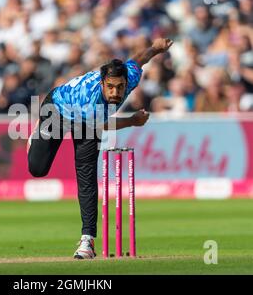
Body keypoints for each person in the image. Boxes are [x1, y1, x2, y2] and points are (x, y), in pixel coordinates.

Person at [27, 37, 173, 259]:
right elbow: (105, 125)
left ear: (127, 83)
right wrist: (132, 121)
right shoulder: (91, 98)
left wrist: (156, 48)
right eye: (110, 87)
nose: (115, 93)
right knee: (37, 170)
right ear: (103, 83)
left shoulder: (129, 77)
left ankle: (87, 241)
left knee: (85, 174)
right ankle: (37, 133)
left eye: (120, 87)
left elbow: (138, 60)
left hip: (87, 122)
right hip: (58, 108)